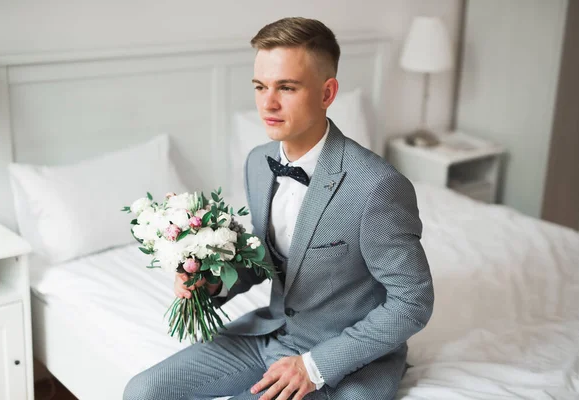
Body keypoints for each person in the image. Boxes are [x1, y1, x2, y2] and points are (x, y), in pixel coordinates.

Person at [124, 17, 434, 400]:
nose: (268, 103)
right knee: (143, 392)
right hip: (271, 334)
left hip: (344, 357)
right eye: (260, 87)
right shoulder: (258, 162)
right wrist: (212, 280)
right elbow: (265, 258)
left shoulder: (377, 186)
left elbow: (412, 301)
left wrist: (315, 365)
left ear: (327, 93)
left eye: (286, 87)